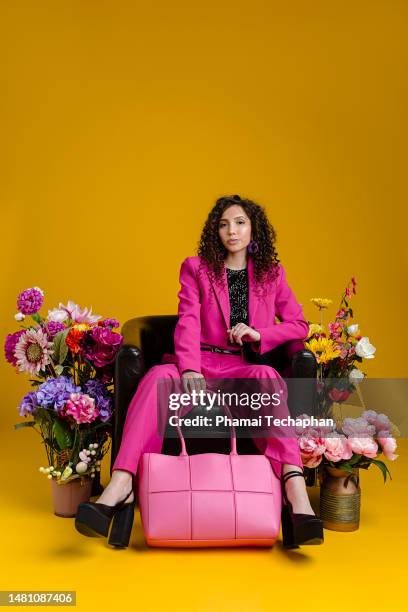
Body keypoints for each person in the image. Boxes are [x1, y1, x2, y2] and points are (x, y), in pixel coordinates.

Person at [75, 194, 324, 549]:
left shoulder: (272, 274)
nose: (232, 231)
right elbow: (188, 320)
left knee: (269, 379)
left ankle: (295, 489)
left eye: (239, 223)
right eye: (223, 224)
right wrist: (190, 368)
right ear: (215, 231)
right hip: (200, 360)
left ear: (254, 229)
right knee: (158, 379)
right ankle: (121, 483)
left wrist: (260, 334)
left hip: (243, 366)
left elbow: (300, 324)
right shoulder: (197, 268)